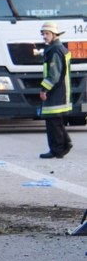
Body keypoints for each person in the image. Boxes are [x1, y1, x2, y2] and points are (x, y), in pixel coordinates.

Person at [37, 21, 73, 158]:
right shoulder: (60, 48)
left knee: (53, 121)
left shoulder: (55, 50)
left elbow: (54, 74)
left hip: (55, 91)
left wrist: (44, 89)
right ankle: (65, 144)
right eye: (43, 34)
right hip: (61, 90)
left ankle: (57, 150)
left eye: (47, 34)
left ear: (54, 34)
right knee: (56, 121)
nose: (44, 37)